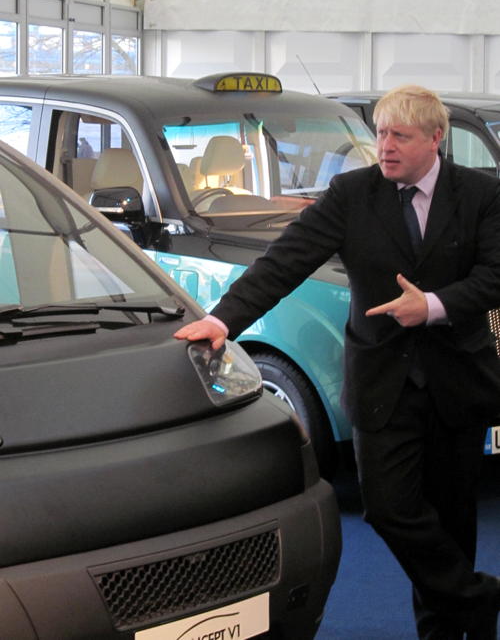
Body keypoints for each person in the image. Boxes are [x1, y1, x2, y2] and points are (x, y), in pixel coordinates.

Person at [174, 84, 500, 639]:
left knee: (452, 519)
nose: (386, 146)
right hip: (381, 384)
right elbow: (286, 261)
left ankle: (451, 628)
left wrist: (435, 306)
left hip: (457, 383)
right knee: (390, 510)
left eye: (400, 136)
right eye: (380, 134)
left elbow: (495, 276)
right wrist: (224, 321)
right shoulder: (352, 194)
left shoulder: (482, 194)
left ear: (436, 139)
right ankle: (480, 597)